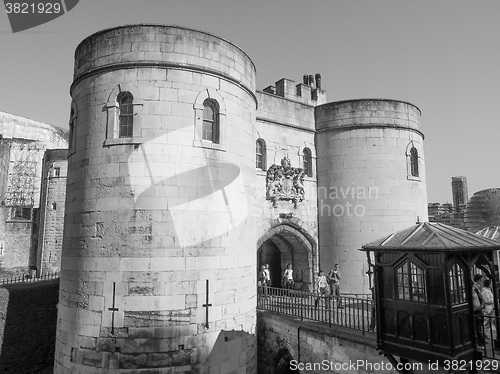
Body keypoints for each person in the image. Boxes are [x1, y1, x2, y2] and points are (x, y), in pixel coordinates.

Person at [472, 273, 485, 348]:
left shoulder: (476, 289)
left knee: (479, 326)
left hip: (478, 310)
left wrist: (482, 305)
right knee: (477, 327)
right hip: (475, 311)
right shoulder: (473, 289)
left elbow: (482, 298)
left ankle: (480, 341)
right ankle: (480, 343)